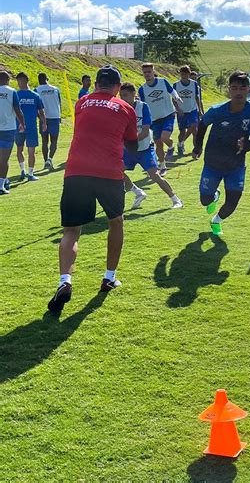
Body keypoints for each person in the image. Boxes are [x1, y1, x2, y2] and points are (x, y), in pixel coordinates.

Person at [47, 65, 138, 314]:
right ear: (118, 88)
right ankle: (109, 277)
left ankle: (65, 280)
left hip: (77, 170)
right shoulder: (126, 107)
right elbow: (132, 144)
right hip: (109, 172)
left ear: (96, 84)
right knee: (116, 222)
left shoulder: (81, 103)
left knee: (72, 230)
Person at [192, 71, 250, 236]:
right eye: (234, 88)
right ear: (229, 90)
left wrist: (244, 146)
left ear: (248, 89)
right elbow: (202, 125)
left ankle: (216, 220)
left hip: (235, 165)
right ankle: (214, 196)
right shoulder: (216, 111)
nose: (238, 92)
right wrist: (198, 147)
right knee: (205, 200)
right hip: (213, 163)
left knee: (233, 201)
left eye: (242, 88)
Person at [119, 82, 183, 210]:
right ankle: (138, 192)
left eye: (125, 95)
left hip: (144, 149)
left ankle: (176, 199)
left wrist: (130, 141)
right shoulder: (120, 109)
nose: (123, 98)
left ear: (133, 94)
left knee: (155, 176)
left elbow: (145, 131)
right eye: (121, 95)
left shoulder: (143, 107)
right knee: (117, 171)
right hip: (128, 150)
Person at [138, 63, 182, 175]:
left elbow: (172, 91)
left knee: (164, 137)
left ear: (153, 71)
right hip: (154, 119)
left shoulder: (163, 82)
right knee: (158, 143)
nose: (147, 74)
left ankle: (171, 146)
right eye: (145, 72)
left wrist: (176, 97)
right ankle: (162, 166)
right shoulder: (142, 89)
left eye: (149, 71)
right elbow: (143, 105)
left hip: (168, 115)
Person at [15, 71, 47, 181]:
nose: (19, 83)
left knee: (31, 151)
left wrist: (44, 123)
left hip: (32, 127)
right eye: (17, 81)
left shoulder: (35, 95)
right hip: (18, 127)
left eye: (20, 80)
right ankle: (22, 171)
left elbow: (41, 111)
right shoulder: (16, 94)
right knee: (19, 149)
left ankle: (30, 173)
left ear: (26, 81)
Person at [0, 71, 25, 194]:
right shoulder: (11, 91)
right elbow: (17, 109)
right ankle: (1, 184)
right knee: (4, 158)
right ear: (8, 80)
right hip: (8, 129)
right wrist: (22, 123)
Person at [173, 65, 204, 155]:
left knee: (194, 129)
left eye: (185, 74)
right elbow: (173, 99)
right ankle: (180, 144)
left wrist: (200, 110)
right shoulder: (176, 85)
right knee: (182, 132)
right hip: (182, 112)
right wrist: (178, 109)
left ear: (189, 74)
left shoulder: (194, 84)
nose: (183, 76)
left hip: (192, 110)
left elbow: (196, 97)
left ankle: (196, 150)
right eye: (182, 74)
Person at [35, 72, 61, 169]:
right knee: (54, 140)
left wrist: (39, 118)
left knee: (44, 141)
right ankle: (50, 159)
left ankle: (46, 161)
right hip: (55, 116)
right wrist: (60, 116)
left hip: (44, 118)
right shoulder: (55, 89)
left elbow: (36, 107)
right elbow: (59, 103)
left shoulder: (37, 90)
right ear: (47, 78)